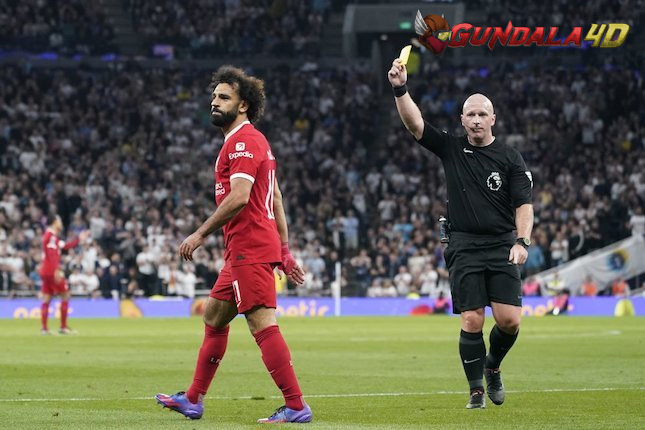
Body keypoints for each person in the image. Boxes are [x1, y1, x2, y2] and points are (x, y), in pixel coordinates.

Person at [155, 66, 312, 424]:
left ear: (243, 105)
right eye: (214, 96)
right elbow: (276, 196)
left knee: (261, 322)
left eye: (224, 97)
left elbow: (241, 197)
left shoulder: (243, 141)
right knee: (213, 316)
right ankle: (193, 399)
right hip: (244, 250)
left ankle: (296, 405)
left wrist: (199, 234)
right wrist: (284, 251)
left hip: (250, 247)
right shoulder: (251, 141)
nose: (215, 102)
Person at [388, 58, 534, 409]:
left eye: (483, 114)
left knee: (510, 321)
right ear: (463, 120)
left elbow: (524, 206)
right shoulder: (452, 149)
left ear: (493, 119)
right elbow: (415, 125)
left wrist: (522, 241)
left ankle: (493, 366)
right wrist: (400, 88)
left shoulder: (511, 158)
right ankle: (475, 391)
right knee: (472, 318)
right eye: (471, 114)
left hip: (501, 243)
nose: (477, 120)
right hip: (464, 243)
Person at [39, 214, 89, 334]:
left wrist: (78, 239)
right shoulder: (51, 236)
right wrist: (56, 269)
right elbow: (51, 253)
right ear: (54, 222)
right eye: (59, 221)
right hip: (51, 270)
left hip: (45, 270)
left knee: (47, 298)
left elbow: (65, 246)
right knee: (65, 295)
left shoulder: (52, 236)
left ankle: (45, 328)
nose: (61, 223)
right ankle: (63, 326)